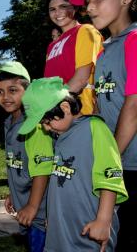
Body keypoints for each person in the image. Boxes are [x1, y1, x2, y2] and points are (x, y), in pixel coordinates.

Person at [68, 0, 137, 251]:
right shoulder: (104, 49)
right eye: (88, 1)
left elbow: (133, 107)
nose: (90, 7)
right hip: (114, 164)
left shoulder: (134, 41)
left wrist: (109, 163)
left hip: (129, 164)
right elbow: (100, 106)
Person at [19, 77, 128, 251]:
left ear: (65, 108)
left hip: (88, 232)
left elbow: (110, 176)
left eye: (47, 122)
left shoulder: (95, 128)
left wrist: (103, 220)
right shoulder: (60, 135)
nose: (46, 128)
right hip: (60, 233)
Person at [0, 61, 53, 252]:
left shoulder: (34, 125)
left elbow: (42, 170)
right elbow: (19, 163)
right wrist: (13, 194)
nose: (5, 97)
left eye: (12, 90)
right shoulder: (9, 122)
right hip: (25, 211)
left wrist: (31, 206)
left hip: (40, 215)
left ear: (27, 91)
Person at [45, 0, 103, 115]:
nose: (58, 13)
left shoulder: (86, 31)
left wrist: (52, 107)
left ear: (75, 8)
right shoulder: (52, 46)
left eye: (63, 7)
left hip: (82, 112)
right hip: (56, 116)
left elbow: (81, 78)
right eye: (52, 9)